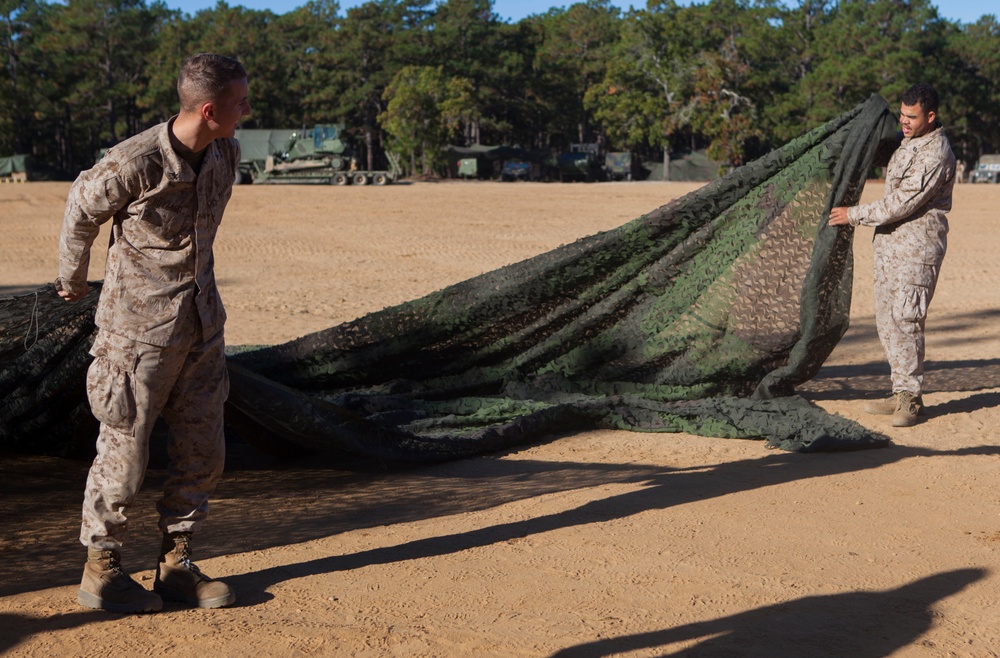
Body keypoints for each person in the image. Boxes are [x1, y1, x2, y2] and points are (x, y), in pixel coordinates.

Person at [56, 53, 251, 613]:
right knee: (124, 453)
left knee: (201, 449)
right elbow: (80, 205)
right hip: (135, 336)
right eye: (241, 102)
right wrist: (72, 278)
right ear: (210, 110)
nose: (248, 110)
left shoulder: (225, 151)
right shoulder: (136, 161)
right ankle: (102, 569)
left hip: (200, 328)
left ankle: (177, 563)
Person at [829, 83, 955, 427]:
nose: (904, 121)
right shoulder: (908, 142)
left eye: (911, 117)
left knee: (906, 319)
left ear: (931, 116)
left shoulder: (935, 153)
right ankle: (899, 390)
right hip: (889, 248)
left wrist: (853, 214)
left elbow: (901, 203)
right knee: (887, 321)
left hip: (916, 251)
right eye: (901, 114)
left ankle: (911, 399)